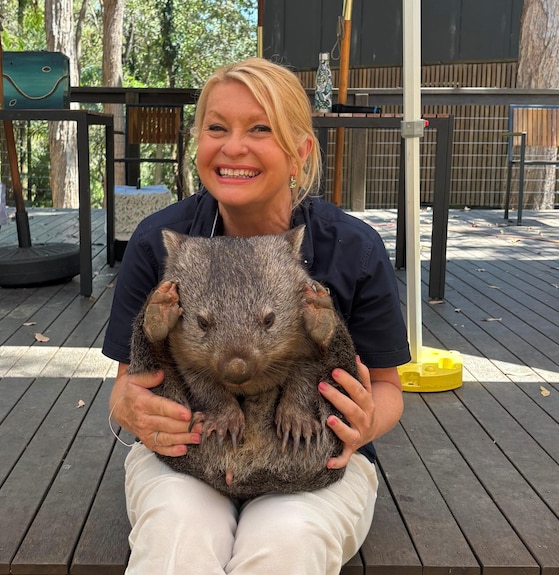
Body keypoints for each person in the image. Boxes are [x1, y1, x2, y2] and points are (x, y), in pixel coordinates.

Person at [102, 57, 410, 575]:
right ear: (197, 141)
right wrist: (133, 411)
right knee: (179, 531)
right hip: (192, 451)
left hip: (313, 454)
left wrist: (362, 424)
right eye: (216, 127)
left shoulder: (353, 248)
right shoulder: (164, 243)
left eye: (260, 129)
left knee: (286, 539)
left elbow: (388, 389)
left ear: (300, 152)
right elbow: (127, 385)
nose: (233, 147)